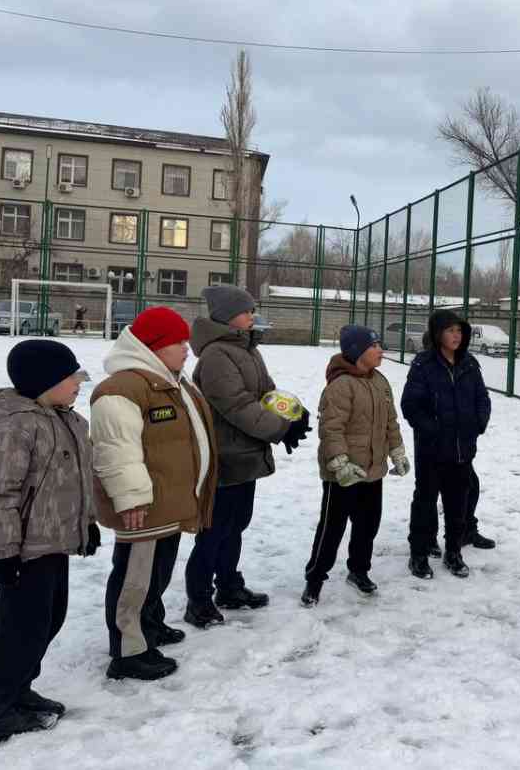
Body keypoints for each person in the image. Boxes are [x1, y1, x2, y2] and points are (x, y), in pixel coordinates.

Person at [0, 340, 98, 746]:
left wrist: (88, 524)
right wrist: (5, 555)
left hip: (56, 542)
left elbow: (78, 480)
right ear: (45, 381)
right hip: (25, 550)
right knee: (21, 630)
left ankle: (20, 689)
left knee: (49, 619)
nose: (79, 383)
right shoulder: (13, 426)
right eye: (71, 377)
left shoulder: (68, 419)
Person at [90, 306, 218, 680]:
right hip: (143, 508)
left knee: (156, 574)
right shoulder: (122, 389)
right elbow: (116, 450)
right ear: (155, 346)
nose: (186, 349)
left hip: (169, 502)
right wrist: (131, 499)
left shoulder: (171, 380)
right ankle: (128, 651)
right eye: (178, 342)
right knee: (134, 579)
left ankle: (150, 626)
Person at [184, 285, 309, 627]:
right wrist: (278, 429)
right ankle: (198, 599)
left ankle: (228, 586)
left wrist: (294, 414)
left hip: (247, 453)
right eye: (247, 310)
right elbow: (237, 405)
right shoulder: (216, 356)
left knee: (236, 526)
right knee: (214, 530)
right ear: (226, 316)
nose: (252, 315)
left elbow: (265, 393)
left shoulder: (248, 348)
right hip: (226, 457)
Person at [301, 324, 409, 607]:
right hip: (344, 475)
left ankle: (358, 570)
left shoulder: (380, 381)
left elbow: (390, 422)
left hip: (373, 471)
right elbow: (331, 429)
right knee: (332, 528)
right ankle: (315, 579)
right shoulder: (341, 385)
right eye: (374, 346)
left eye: (379, 345)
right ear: (357, 351)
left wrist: (396, 451)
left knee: (367, 524)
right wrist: (340, 464)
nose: (380, 350)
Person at [401, 310, 491, 580]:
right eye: (451, 330)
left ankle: (454, 552)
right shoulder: (423, 364)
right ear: (438, 333)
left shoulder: (470, 364)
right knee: (425, 501)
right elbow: (411, 405)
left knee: (457, 503)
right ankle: (418, 554)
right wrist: (433, 430)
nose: (456, 335)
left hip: (462, 449)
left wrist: (477, 425)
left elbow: (482, 399)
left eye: (459, 331)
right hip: (431, 450)